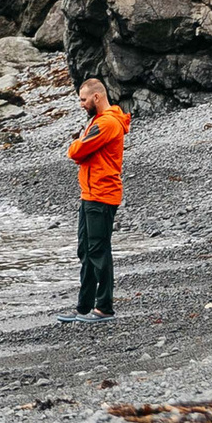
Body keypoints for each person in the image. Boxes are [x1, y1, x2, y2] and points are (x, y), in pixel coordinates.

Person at [67, 73, 130, 319]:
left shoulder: (106, 124)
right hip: (91, 194)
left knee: (98, 250)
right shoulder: (99, 121)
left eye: (83, 100)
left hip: (102, 195)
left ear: (96, 97)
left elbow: (77, 151)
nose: (81, 104)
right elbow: (81, 151)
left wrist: (77, 143)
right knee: (86, 249)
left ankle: (104, 307)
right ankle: (84, 307)